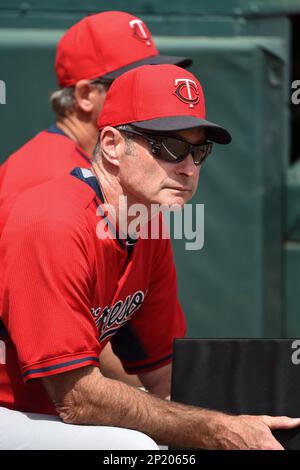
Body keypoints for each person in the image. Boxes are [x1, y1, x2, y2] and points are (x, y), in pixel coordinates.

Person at [1, 63, 299, 450]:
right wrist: (212, 429)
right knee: (136, 448)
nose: (190, 167)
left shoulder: (149, 228)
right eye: (171, 146)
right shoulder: (53, 219)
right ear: (111, 145)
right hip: (13, 407)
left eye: (199, 151)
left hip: (45, 411)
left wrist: (234, 420)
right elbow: (75, 397)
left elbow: (164, 376)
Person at [0, 10, 191, 386]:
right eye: (132, 80)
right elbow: (73, 348)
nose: (150, 90)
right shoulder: (45, 181)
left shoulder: (128, 186)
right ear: (87, 95)